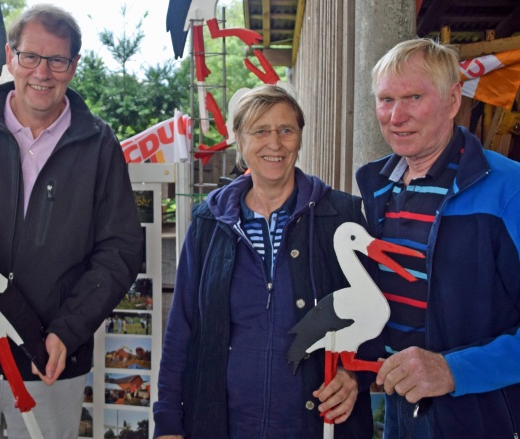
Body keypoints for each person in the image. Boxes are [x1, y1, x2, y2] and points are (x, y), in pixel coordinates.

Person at [0, 4, 143, 438]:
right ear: (9, 56)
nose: (42, 72)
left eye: (57, 60)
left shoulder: (99, 144)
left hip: (50, 361)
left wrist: (68, 332)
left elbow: (121, 250)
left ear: (74, 66)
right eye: (30, 57)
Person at [154, 84, 375, 438]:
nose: (275, 143)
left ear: (299, 138)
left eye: (286, 130)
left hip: (314, 425)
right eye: (260, 131)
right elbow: (182, 327)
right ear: (239, 141)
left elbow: (376, 315)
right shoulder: (209, 223)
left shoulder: (341, 216)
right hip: (222, 425)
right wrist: (167, 422)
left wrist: (355, 375)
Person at [359, 38, 520, 438]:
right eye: (386, 100)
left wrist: (454, 370)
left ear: (453, 101)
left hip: (483, 418)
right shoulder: (378, 189)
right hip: (401, 412)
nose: (396, 116)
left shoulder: (512, 190)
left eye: (414, 97)